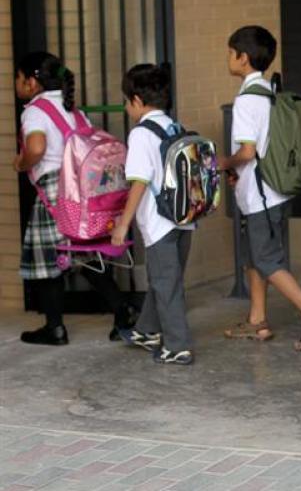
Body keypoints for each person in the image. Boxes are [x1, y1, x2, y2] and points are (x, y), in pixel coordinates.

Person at [218, 26, 301, 350]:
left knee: (267, 260)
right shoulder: (270, 91)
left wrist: (222, 164)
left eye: (230, 53)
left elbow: (247, 152)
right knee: (257, 257)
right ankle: (258, 321)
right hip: (277, 191)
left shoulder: (245, 100)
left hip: (260, 196)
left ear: (242, 58)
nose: (228, 58)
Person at [13, 51, 137, 346]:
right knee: (84, 253)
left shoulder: (34, 111)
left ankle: (54, 327)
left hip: (56, 189)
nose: (16, 85)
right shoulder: (72, 109)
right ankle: (123, 309)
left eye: (18, 79)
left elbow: (36, 147)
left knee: (49, 258)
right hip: (84, 189)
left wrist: (20, 164)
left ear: (32, 82)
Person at [112, 64, 196, 365]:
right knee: (165, 279)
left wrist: (123, 224)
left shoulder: (141, 135)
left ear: (136, 100)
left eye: (125, 101)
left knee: (166, 282)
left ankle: (177, 346)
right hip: (184, 218)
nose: (125, 107)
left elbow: (139, 182)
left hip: (159, 222)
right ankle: (146, 330)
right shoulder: (175, 126)